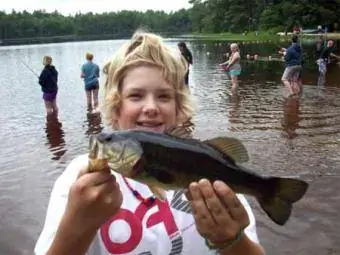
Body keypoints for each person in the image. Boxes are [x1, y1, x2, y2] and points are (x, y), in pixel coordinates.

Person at [34, 31, 265, 255]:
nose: (151, 107)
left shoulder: (217, 177)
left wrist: (231, 241)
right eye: (136, 96)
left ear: (178, 107)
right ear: (116, 107)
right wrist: (78, 225)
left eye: (164, 96)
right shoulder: (78, 184)